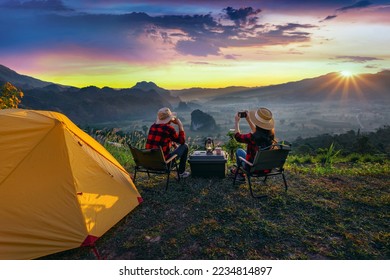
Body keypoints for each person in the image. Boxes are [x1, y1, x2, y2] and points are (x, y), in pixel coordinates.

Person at [146, 107, 190, 178]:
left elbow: (159, 141)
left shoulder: (152, 127)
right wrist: (180, 125)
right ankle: (181, 173)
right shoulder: (169, 129)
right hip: (163, 165)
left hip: (149, 163)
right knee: (185, 146)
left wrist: (171, 143)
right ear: (169, 119)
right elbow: (182, 141)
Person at [233, 107, 276, 180]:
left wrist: (237, 121)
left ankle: (240, 174)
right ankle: (239, 171)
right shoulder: (270, 136)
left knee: (239, 151)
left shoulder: (253, 137)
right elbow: (258, 132)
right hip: (266, 168)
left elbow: (237, 137)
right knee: (247, 152)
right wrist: (248, 120)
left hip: (252, 168)